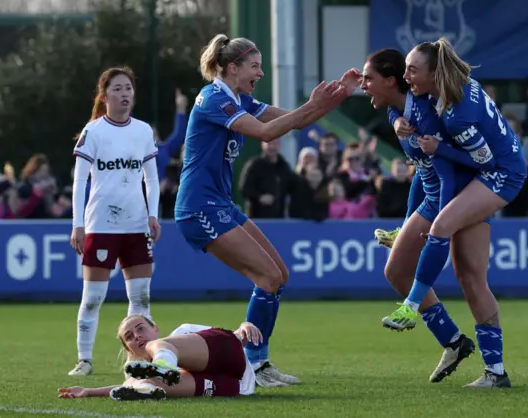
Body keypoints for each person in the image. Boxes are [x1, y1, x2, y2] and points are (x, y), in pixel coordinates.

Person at [174, 34, 356, 387]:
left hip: (220, 204)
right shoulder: (213, 98)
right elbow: (266, 132)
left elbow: (295, 121)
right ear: (232, 67)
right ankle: (252, 364)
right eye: (255, 66)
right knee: (268, 278)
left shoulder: (239, 98)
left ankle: (259, 361)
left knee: (279, 277)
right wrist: (311, 105)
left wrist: (336, 98)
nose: (260, 72)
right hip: (199, 207)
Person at [381, 38, 526, 388]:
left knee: (441, 226)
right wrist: (398, 120)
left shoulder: (456, 114)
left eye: (412, 71)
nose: (406, 76)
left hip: (500, 174)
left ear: (434, 73)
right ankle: (496, 373)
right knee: (471, 276)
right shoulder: (447, 91)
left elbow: (485, 161)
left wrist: (439, 147)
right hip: (483, 175)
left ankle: (412, 305)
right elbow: (400, 107)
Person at [356, 49, 477, 383]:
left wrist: (442, 221)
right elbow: (422, 169)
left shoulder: (422, 112)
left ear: (391, 81)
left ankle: (459, 344)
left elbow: (443, 171)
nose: (363, 85)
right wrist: (394, 119)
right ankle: (455, 342)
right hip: (432, 196)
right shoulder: (402, 108)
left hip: (445, 198)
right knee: (399, 271)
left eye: (369, 79)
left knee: (402, 271)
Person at [68, 67, 162, 377]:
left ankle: (140, 361)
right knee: (93, 297)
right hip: (101, 225)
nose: (124, 94)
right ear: (104, 95)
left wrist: (153, 215)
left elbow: (151, 178)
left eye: (129, 89)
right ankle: (84, 359)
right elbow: (80, 180)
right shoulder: (94, 131)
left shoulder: (143, 131)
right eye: (118, 89)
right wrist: (77, 224)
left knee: (140, 299)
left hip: (136, 226)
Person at [58, 315, 261, 400]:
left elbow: (229, 343)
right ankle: (149, 389)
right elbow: (125, 386)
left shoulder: (183, 331)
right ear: (128, 349)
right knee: (139, 382)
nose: (136, 336)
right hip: (237, 386)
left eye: (141, 329)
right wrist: (88, 391)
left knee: (162, 346)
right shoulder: (138, 371)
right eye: (129, 337)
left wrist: (244, 326)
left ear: (155, 328)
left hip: (232, 357)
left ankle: (164, 363)